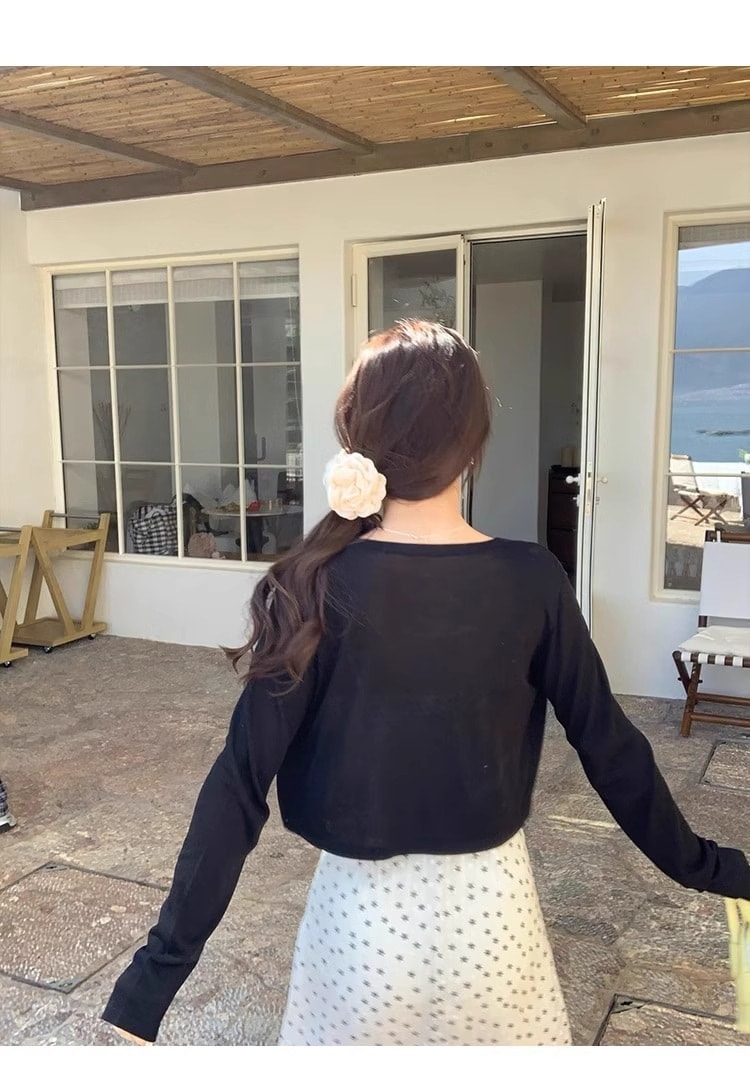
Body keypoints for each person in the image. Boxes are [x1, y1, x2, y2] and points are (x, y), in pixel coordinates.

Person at [102, 320, 750, 1047]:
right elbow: (611, 748)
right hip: (493, 927)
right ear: (474, 447)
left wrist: (148, 986)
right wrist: (713, 869)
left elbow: (238, 785)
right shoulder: (531, 579)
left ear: (357, 437)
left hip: (356, 934)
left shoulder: (311, 584)